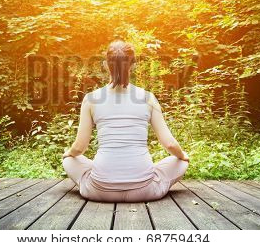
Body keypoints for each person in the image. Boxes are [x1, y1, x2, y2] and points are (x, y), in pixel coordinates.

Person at [62, 40, 189, 202]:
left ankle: (95, 180)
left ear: (106, 65)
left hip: (99, 190)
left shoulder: (91, 99)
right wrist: (182, 155)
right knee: (179, 161)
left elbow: (79, 147)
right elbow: (170, 144)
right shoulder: (148, 98)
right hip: (144, 190)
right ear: (133, 65)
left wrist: (69, 154)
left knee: (69, 161)